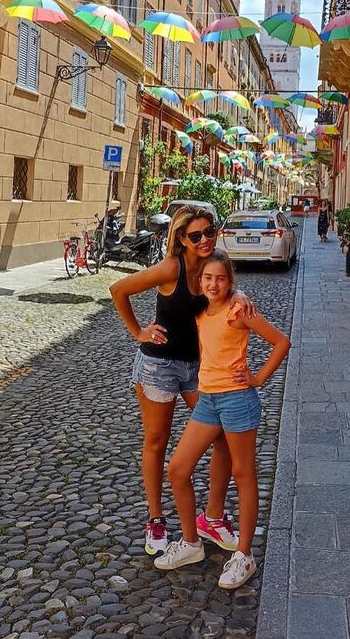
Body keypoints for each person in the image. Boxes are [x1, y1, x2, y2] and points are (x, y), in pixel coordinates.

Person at [109, 206, 256, 556]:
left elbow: (226, 288)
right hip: (158, 366)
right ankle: (156, 519)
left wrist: (239, 296)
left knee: (222, 439)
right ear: (181, 239)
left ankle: (212, 517)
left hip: (197, 368)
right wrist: (138, 331)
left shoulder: (210, 266)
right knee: (157, 441)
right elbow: (118, 289)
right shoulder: (170, 268)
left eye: (209, 231)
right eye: (195, 235)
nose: (204, 239)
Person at [155, 250, 291, 589]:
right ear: (200, 281)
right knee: (178, 470)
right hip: (208, 400)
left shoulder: (238, 310)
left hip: (237, 401)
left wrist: (258, 378)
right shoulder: (201, 310)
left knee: (243, 475)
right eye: (208, 278)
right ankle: (191, 543)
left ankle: (244, 555)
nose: (213, 284)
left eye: (221, 278)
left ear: (230, 281)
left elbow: (281, 342)